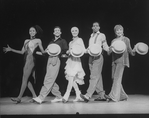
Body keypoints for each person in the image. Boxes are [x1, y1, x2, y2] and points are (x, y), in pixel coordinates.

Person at [3, 25, 45, 103]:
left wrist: (47, 51)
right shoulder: (26, 41)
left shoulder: (38, 40)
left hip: (31, 60)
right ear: (29, 32)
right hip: (26, 60)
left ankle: (19, 98)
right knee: (27, 79)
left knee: (24, 79)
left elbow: (43, 51)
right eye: (30, 31)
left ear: (36, 32)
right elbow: (22, 52)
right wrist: (11, 49)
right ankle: (35, 96)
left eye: (33, 31)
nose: (32, 32)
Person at [32, 26, 68, 104]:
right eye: (55, 30)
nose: (57, 31)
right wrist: (37, 52)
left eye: (58, 30)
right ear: (53, 32)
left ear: (60, 32)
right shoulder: (51, 42)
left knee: (48, 79)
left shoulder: (63, 41)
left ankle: (41, 97)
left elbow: (65, 51)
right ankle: (58, 96)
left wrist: (59, 53)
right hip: (49, 59)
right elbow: (46, 52)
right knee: (51, 79)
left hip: (56, 58)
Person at [80, 22, 110, 102]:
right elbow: (89, 48)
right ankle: (102, 95)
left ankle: (88, 95)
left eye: (97, 26)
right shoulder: (91, 36)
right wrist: (82, 51)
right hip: (91, 57)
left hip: (98, 57)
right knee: (97, 76)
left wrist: (110, 49)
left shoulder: (102, 35)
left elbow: (105, 45)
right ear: (92, 27)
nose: (95, 27)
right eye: (94, 26)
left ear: (99, 27)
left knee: (94, 76)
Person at [106, 25, 136, 102]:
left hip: (122, 61)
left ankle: (113, 97)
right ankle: (123, 96)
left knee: (117, 78)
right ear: (115, 32)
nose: (119, 31)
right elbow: (109, 53)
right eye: (117, 30)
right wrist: (110, 49)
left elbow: (130, 51)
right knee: (114, 78)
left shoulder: (126, 39)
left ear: (123, 31)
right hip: (114, 61)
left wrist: (135, 50)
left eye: (120, 30)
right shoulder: (113, 41)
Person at [62, 27, 86, 103]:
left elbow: (83, 50)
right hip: (70, 60)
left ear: (78, 32)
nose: (74, 32)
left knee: (72, 77)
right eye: (73, 31)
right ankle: (78, 94)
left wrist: (90, 50)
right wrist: (67, 53)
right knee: (71, 79)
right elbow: (70, 53)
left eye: (76, 31)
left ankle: (67, 94)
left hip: (76, 61)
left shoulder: (80, 40)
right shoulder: (70, 42)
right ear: (71, 32)